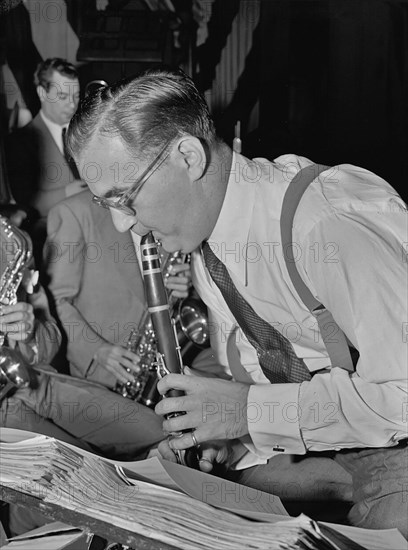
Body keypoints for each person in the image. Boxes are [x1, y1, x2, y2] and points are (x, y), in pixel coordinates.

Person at [64, 68, 408, 536]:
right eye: (107, 205)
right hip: (343, 459)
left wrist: (249, 411)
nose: (124, 227)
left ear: (187, 155)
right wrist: (234, 441)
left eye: (125, 197)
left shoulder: (325, 223)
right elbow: (277, 394)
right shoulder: (208, 251)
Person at [43, 188, 192, 395]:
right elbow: (53, 302)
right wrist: (95, 350)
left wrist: (190, 281)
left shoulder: (165, 197)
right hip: (105, 378)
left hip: (171, 367)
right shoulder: (73, 212)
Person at [5, 58, 86, 262]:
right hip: (54, 246)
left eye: (76, 96)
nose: (72, 104)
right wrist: (67, 192)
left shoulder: (88, 134)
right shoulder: (20, 141)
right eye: (62, 96)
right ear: (42, 93)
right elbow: (24, 202)